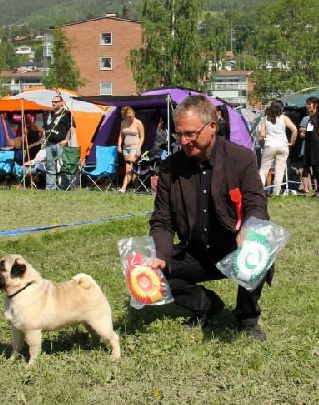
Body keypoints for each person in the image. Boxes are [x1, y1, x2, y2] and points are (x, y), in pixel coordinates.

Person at [149, 95, 270, 341]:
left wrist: (249, 231)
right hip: (194, 252)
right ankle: (206, 304)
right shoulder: (170, 168)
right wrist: (160, 256)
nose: (184, 141)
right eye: (179, 134)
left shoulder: (241, 158)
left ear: (212, 126)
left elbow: (256, 203)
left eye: (190, 134)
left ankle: (247, 318)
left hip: (232, 249)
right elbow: (161, 221)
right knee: (151, 273)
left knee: (259, 253)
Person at [257, 100, 297, 196]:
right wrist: (291, 142)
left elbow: (262, 135)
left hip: (269, 145)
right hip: (282, 145)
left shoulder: (265, 119)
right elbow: (294, 129)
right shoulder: (284, 118)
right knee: (279, 170)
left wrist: (262, 143)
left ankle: (259, 191)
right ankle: (276, 192)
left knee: (264, 170)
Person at [43, 94, 72, 191]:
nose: (53, 103)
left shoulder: (66, 114)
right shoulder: (49, 114)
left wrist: (66, 140)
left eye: (56, 102)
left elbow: (71, 128)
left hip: (61, 144)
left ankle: (65, 187)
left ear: (61, 103)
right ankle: (50, 188)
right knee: (50, 166)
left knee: (63, 166)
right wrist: (44, 137)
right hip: (49, 144)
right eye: (52, 102)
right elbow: (45, 127)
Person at [117, 106, 144, 193]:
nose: (129, 118)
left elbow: (142, 137)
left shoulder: (138, 123)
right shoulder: (123, 123)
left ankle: (123, 187)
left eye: (131, 116)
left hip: (135, 147)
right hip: (126, 148)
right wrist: (119, 145)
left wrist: (139, 148)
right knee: (131, 169)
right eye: (127, 117)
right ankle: (137, 186)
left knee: (128, 168)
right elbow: (121, 135)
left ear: (133, 113)